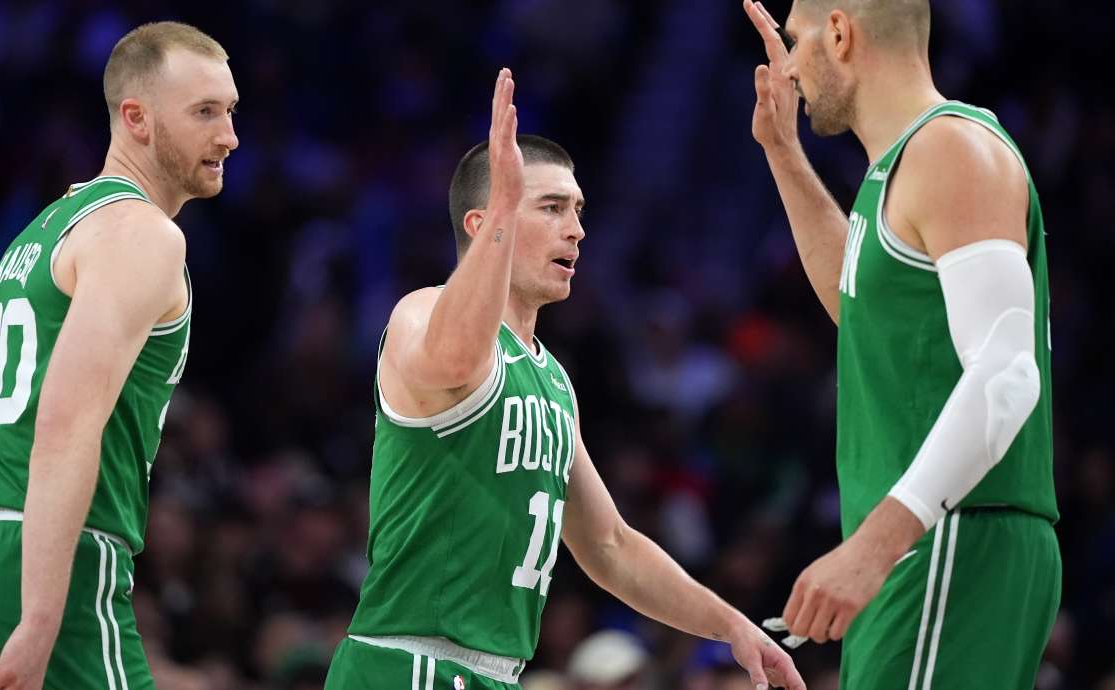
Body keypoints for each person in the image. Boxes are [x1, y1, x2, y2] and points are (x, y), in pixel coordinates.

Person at [324, 69, 804, 690]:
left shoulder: (551, 377)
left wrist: (729, 625)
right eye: (551, 207)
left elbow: (608, 545)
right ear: (482, 222)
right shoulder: (419, 312)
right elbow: (452, 366)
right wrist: (504, 204)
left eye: (578, 211)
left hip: (496, 672)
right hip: (406, 664)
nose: (576, 229)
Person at [0, 21, 239, 690]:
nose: (229, 136)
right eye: (205, 112)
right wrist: (37, 617)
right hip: (48, 568)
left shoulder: (42, 232)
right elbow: (65, 427)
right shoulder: (141, 235)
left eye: (230, 111)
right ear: (136, 118)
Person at [743, 1, 1059, 687]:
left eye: (796, 41)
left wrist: (876, 545)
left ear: (839, 32)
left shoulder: (952, 148)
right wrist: (783, 153)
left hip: (951, 533)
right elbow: (862, 308)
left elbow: (1008, 373)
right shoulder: (900, 167)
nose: (789, 67)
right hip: (935, 533)